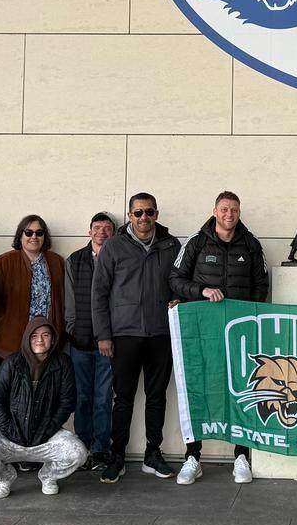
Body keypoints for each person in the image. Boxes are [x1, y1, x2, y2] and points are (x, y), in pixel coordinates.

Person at [171, 190, 269, 485]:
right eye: (224, 209)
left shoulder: (251, 244)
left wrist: (250, 318)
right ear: (215, 211)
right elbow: (175, 279)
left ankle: (241, 455)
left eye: (234, 210)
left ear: (239, 213)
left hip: (239, 333)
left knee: (242, 389)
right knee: (199, 388)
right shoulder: (197, 241)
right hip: (201, 333)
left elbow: (261, 285)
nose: (229, 214)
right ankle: (192, 457)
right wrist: (201, 292)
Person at [94, 192, 181, 484]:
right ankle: (116, 456)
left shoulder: (171, 246)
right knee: (123, 399)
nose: (144, 218)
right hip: (124, 335)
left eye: (149, 212)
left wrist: (178, 297)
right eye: (138, 213)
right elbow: (99, 294)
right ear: (129, 215)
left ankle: (152, 454)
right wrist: (103, 335)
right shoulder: (114, 247)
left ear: (157, 213)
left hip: (160, 334)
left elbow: (180, 282)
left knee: (157, 397)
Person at [0, 318, 88, 498]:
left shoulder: (63, 363)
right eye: (34, 336)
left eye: (45, 335)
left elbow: (67, 402)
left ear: (53, 339)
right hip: (10, 436)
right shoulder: (12, 362)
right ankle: (4, 478)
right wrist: (10, 430)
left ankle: (48, 477)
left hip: (46, 437)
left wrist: (49, 428)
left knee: (78, 453)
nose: (40, 340)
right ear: (26, 339)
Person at [0, 213, 66, 381]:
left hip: (45, 344)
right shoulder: (5, 261)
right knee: (10, 397)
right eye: (28, 232)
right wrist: (2, 321)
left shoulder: (57, 262)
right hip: (10, 342)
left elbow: (65, 298)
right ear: (20, 236)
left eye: (39, 232)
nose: (34, 237)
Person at [65, 212, 116, 469]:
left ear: (113, 233)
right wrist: (72, 329)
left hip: (108, 343)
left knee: (104, 398)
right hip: (80, 343)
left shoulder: (119, 258)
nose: (102, 232)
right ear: (89, 231)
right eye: (97, 227)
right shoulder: (74, 260)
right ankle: (81, 448)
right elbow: (70, 301)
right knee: (82, 398)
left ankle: (100, 449)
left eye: (107, 228)